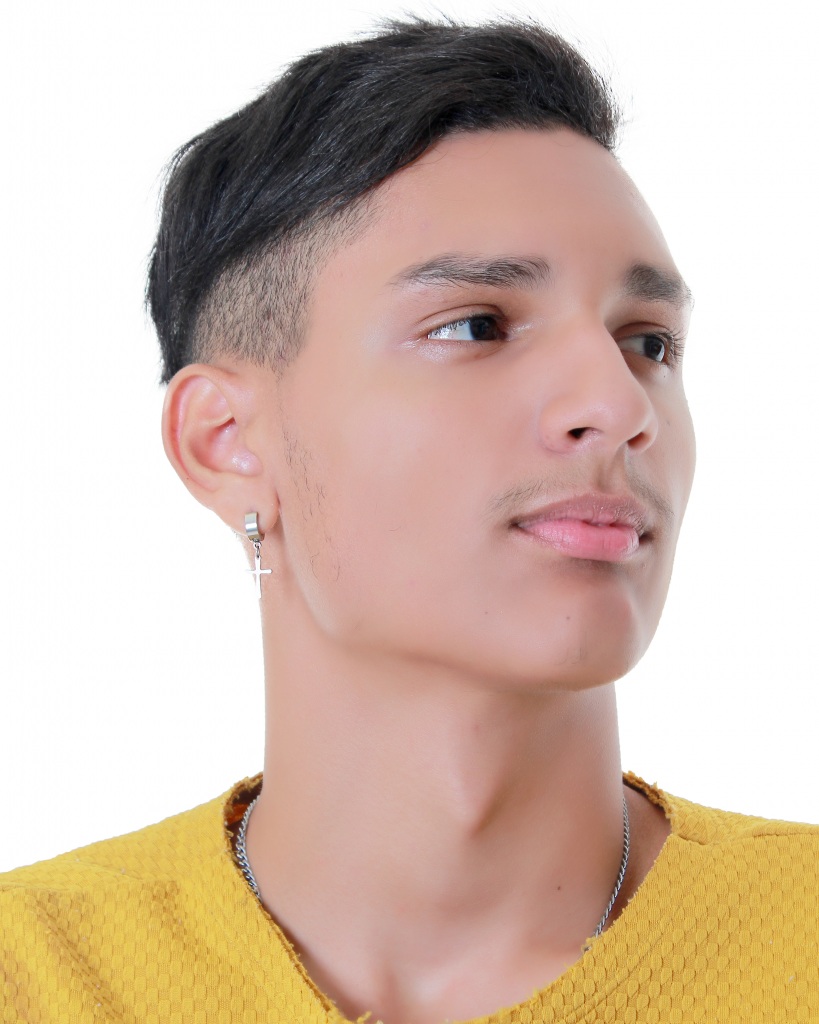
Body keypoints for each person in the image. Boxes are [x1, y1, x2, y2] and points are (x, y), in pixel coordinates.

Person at [1, 17, 817, 1023]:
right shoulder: (35, 976)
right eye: (476, 326)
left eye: (647, 342)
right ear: (225, 441)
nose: (617, 404)